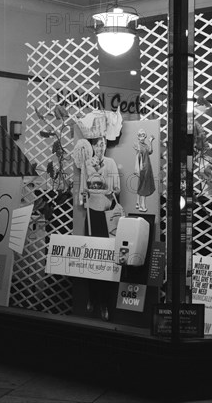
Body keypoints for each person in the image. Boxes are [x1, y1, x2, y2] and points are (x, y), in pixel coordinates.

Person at [83, 136, 120, 321]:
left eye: (103, 144)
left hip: (107, 215)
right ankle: (92, 297)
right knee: (90, 257)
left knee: (105, 259)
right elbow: (83, 189)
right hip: (91, 215)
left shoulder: (111, 163)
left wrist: (108, 188)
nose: (100, 147)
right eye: (97, 144)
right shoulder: (87, 163)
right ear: (92, 146)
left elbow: (118, 189)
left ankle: (104, 302)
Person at [133, 129, 155, 212]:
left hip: (147, 167)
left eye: (143, 135)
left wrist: (150, 141)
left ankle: (138, 203)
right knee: (143, 186)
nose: (142, 137)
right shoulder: (138, 145)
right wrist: (139, 168)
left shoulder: (145, 145)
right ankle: (142, 205)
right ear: (138, 137)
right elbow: (138, 156)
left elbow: (150, 151)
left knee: (141, 184)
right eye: (140, 136)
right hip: (142, 168)